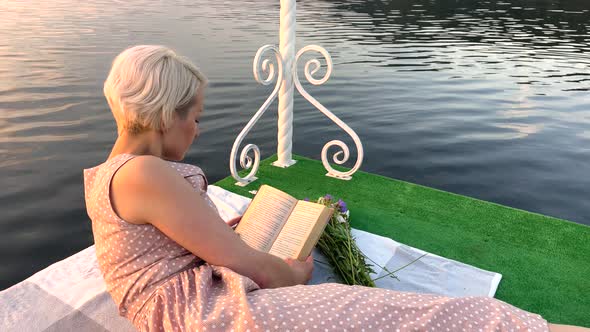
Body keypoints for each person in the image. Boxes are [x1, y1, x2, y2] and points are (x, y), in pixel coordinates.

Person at [83, 45, 587, 332]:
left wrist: (233, 236)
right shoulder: (144, 173)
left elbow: (167, 246)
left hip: (183, 304)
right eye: (195, 118)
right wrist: (289, 273)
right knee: (393, 316)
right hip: (198, 315)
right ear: (167, 116)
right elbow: (249, 265)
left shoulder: (116, 172)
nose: (197, 130)